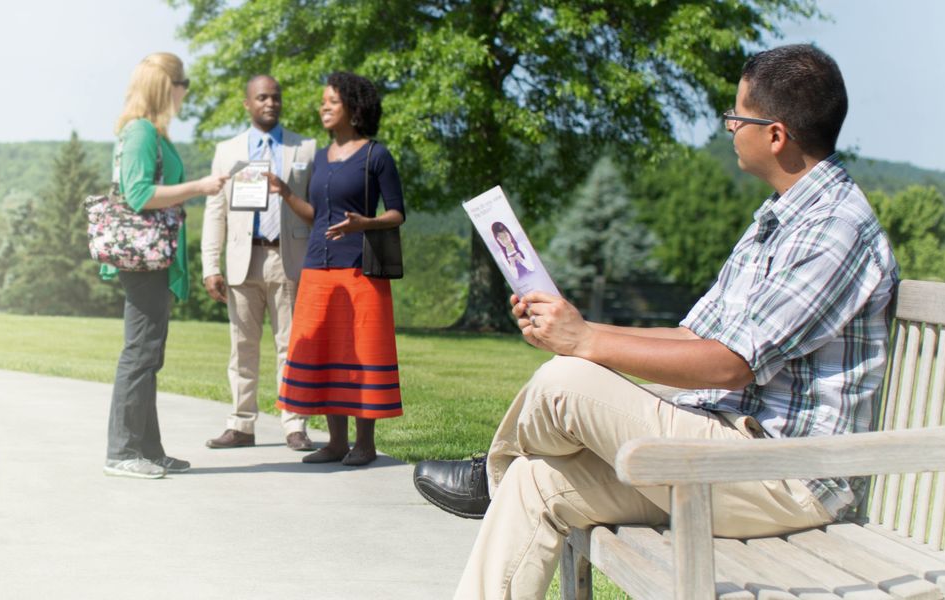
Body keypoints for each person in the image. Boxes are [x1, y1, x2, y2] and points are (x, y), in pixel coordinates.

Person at [413, 44, 899, 598]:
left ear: (775, 135)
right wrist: (576, 327)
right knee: (535, 482)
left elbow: (730, 364)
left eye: (736, 116)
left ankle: (487, 476)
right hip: (729, 451)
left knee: (561, 381)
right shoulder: (781, 218)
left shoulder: (834, 229)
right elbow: (696, 336)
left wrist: (586, 342)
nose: (729, 127)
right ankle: (505, 477)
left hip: (785, 475)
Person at [265, 71, 406, 467]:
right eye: (322, 101)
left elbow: (397, 213)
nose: (323, 107)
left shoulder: (376, 155)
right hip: (317, 268)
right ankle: (336, 443)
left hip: (361, 270)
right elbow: (318, 216)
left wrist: (366, 224)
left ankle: (365, 444)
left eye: (332, 101)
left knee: (360, 354)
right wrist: (287, 192)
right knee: (325, 352)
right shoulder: (321, 158)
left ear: (353, 107)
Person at [103, 52, 228, 479]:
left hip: (155, 255)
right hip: (144, 260)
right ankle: (121, 452)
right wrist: (200, 187)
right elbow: (138, 194)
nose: (185, 92)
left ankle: (148, 450)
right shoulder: (140, 133)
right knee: (139, 352)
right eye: (183, 84)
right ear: (167, 86)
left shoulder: (150, 132)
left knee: (149, 353)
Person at [201, 75, 318, 452]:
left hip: (288, 258)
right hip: (241, 259)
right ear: (247, 104)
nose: (270, 103)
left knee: (292, 346)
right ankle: (240, 424)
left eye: (276, 97)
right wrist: (210, 266)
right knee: (242, 346)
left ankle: (294, 424)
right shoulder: (228, 150)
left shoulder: (306, 148)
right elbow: (214, 210)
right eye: (262, 97)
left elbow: (315, 207)